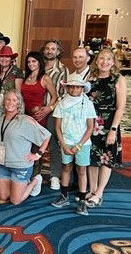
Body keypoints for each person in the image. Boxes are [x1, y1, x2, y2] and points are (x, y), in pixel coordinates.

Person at [0, 90, 50, 205]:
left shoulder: (25, 120)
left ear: (19, 103)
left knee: (15, 200)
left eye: (14, 100)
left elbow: (46, 136)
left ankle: (35, 181)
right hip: (2, 164)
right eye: (8, 99)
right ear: (4, 102)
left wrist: (38, 154)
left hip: (20, 166)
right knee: (4, 196)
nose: (10, 102)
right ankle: (17, 185)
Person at [51, 73, 96, 215]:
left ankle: (82, 200)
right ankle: (64, 196)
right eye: (71, 87)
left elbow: (90, 127)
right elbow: (57, 127)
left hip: (82, 143)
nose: (74, 90)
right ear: (67, 88)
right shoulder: (61, 103)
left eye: (78, 87)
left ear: (82, 88)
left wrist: (79, 145)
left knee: (82, 170)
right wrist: (63, 144)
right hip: (66, 142)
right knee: (66, 168)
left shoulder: (88, 104)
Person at [86, 48, 127, 207]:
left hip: (109, 123)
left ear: (113, 62)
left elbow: (121, 107)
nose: (105, 62)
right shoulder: (92, 78)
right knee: (92, 158)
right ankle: (92, 189)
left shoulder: (118, 79)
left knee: (106, 158)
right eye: (101, 58)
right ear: (96, 60)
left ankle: (99, 192)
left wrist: (113, 129)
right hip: (91, 122)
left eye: (108, 59)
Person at [42, 40, 69, 191]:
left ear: (58, 52)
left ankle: (54, 176)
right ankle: (35, 174)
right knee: (36, 143)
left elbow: (63, 95)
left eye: (53, 49)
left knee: (53, 144)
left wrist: (50, 107)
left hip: (54, 112)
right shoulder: (38, 66)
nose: (50, 51)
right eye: (47, 48)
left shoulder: (63, 70)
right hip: (38, 112)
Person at [21, 51, 58, 127]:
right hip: (24, 114)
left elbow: (55, 96)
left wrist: (47, 110)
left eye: (34, 61)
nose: (31, 64)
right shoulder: (26, 77)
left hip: (38, 116)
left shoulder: (45, 78)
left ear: (39, 62)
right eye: (29, 62)